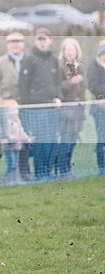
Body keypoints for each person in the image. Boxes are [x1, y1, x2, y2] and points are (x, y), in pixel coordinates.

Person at [18, 27, 62, 181]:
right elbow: (23, 88)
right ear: (36, 41)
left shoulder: (54, 60)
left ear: (50, 40)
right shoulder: (29, 59)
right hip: (36, 109)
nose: (43, 42)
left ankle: (47, 172)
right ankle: (39, 173)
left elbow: (58, 82)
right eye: (39, 39)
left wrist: (58, 97)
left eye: (45, 39)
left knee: (50, 141)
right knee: (40, 144)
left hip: (52, 109)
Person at [56, 37, 86, 179]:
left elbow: (83, 90)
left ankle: (68, 169)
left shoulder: (79, 66)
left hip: (78, 111)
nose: (70, 52)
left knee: (73, 141)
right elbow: (58, 87)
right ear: (63, 51)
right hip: (66, 111)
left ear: (77, 51)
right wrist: (71, 82)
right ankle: (63, 170)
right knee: (65, 141)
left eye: (72, 49)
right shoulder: (60, 66)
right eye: (67, 49)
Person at [0, 32, 26, 103]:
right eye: (12, 42)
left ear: (23, 44)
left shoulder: (30, 61)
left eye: (18, 42)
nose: (15, 45)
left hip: (27, 103)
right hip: (7, 102)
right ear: (7, 45)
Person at [2, 99, 32, 184]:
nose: (14, 112)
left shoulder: (17, 120)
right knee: (11, 164)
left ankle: (16, 179)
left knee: (16, 163)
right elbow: (8, 134)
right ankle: (9, 180)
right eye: (11, 110)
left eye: (16, 109)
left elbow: (21, 131)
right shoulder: (6, 122)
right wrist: (16, 138)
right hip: (10, 146)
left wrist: (26, 137)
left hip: (17, 145)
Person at [86, 44, 105, 176]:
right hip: (99, 109)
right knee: (102, 138)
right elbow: (93, 86)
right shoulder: (94, 66)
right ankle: (102, 167)